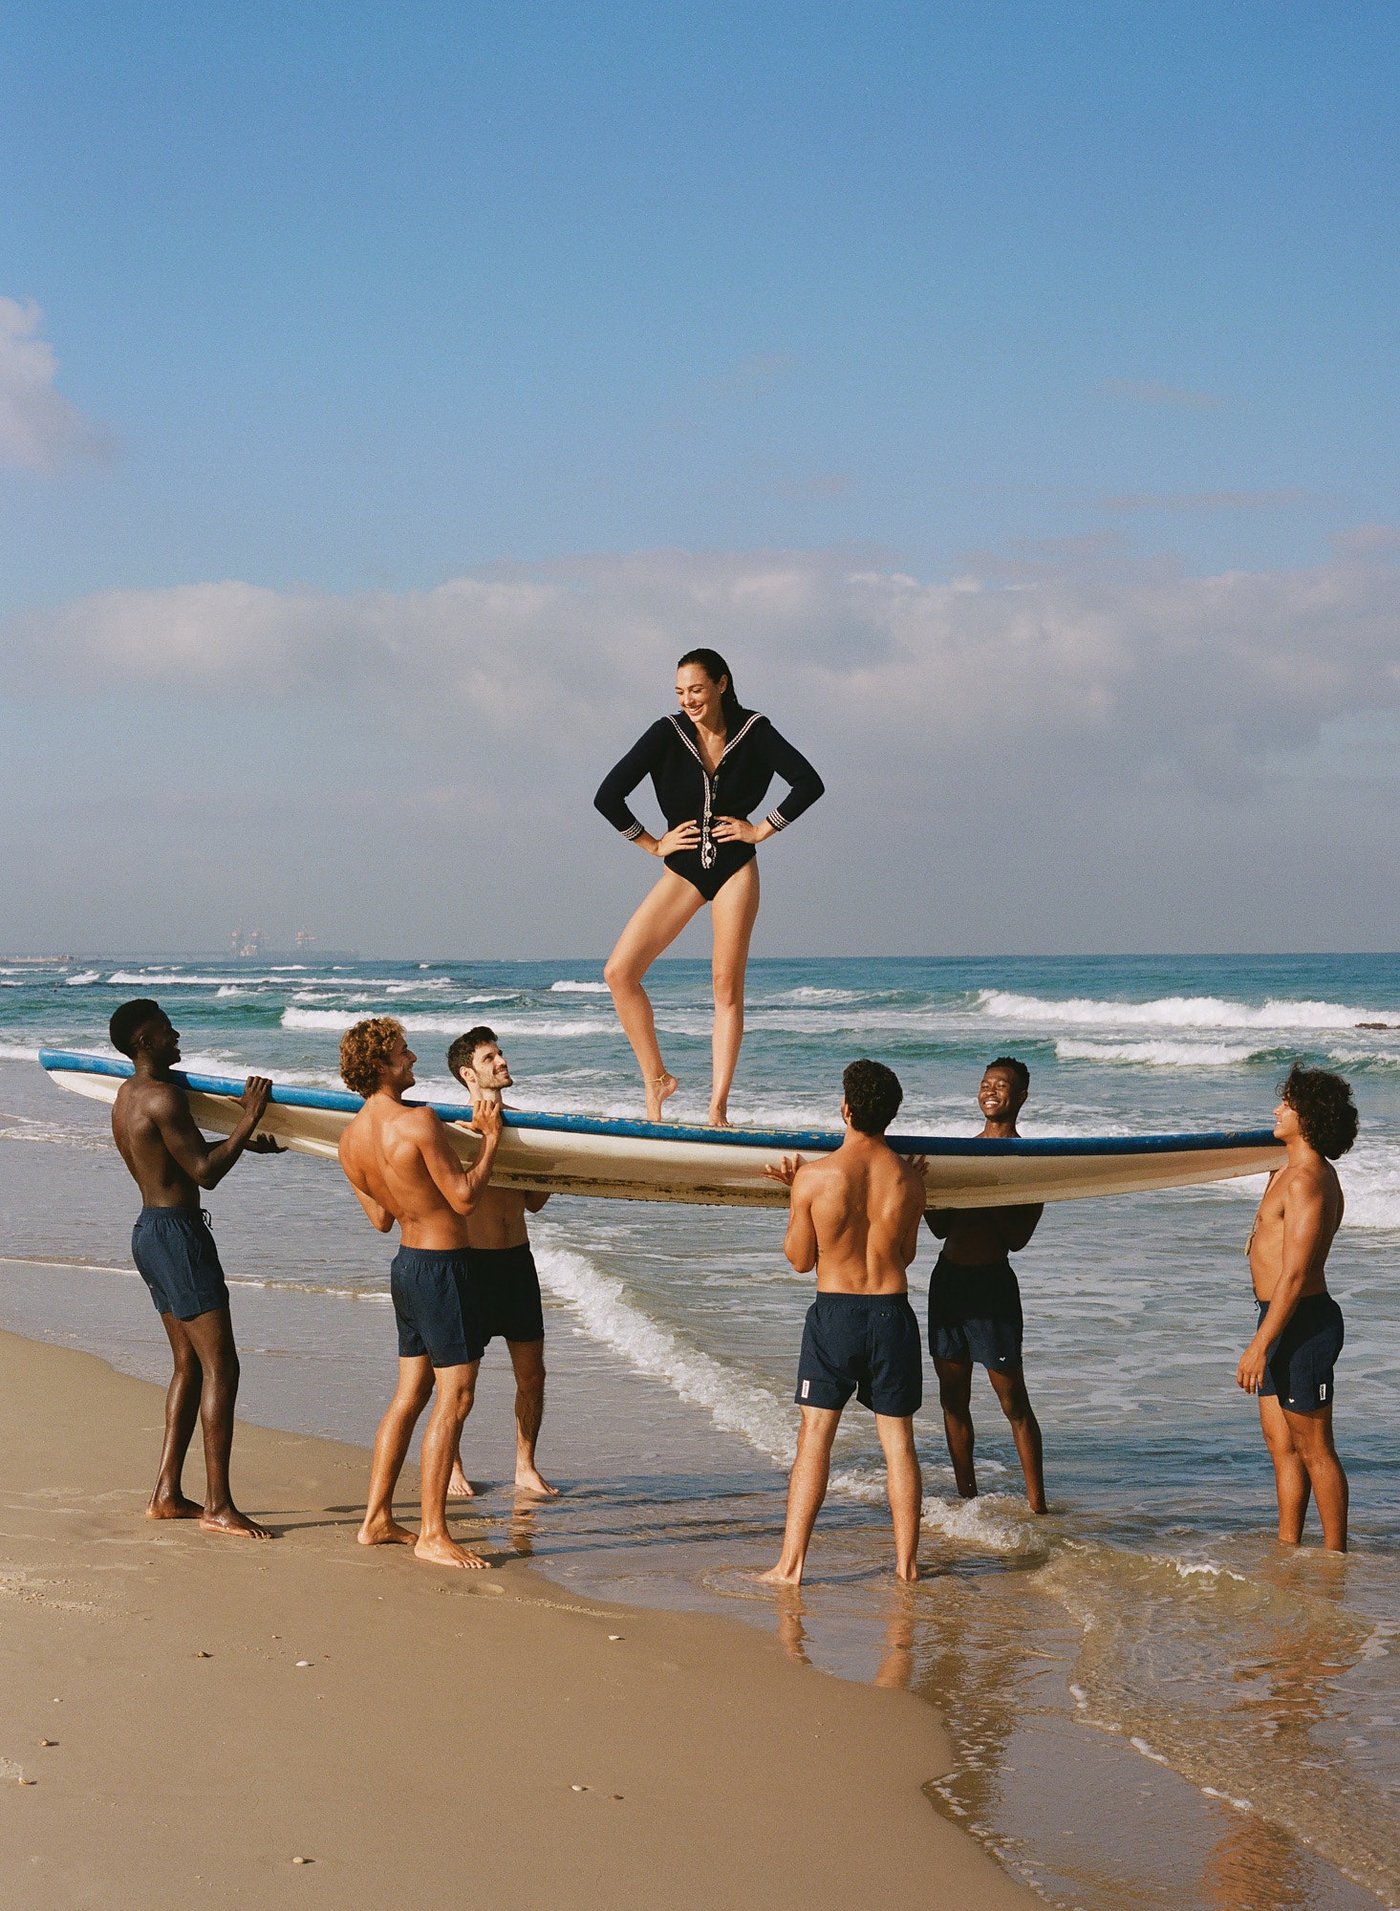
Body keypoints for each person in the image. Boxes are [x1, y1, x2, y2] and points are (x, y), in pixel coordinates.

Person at [594, 648, 823, 1125]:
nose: (688, 700)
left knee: (726, 987)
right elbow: (607, 795)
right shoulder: (666, 732)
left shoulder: (755, 730)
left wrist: (762, 828)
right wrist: (653, 844)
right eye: (680, 692)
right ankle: (657, 1077)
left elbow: (808, 781)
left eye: (696, 689)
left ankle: (718, 1105)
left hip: (736, 868)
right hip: (682, 870)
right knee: (620, 972)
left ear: (721, 684)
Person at [107, 997, 280, 1539]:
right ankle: (218, 1504)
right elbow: (204, 1172)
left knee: (187, 1366)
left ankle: (165, 1494)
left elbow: (177, 1154)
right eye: (165, 1030)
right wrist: (249, 1116)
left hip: (148, 1232)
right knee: (221, 1366)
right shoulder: (164, 1096)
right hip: (178, 1238)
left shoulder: (128, 1094)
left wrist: (243, 1142)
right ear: (144, 1040)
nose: (175, 1033)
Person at [336, 1016, 503, 1569]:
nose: (412, 1059)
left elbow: (381, 1218)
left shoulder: (349, 1140)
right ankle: (433, 1531)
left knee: (410, 1395)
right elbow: (462, 1200)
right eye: (403, 1053)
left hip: (405, 1268)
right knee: (455, 1397)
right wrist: (491, 1144)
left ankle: (376, 1518)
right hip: (444, 1269)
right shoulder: (419, 1122)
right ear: (382, 1065)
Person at [760, 1060, 927, 1585]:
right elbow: (905, 1253)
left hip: (836, 1314)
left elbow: (800, 1259)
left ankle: (791, 1566)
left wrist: (794, 1196)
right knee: (898, 1442)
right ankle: (906, 1567)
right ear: (890, 1116)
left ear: (847, 1109)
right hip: (892, 1312)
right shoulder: (908, 1179)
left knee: (815, 1437)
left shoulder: (816, 1176)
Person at [1237, 1064, 1356, 1553]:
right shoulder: (1285, 1169)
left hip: (1302, 1323)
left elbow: (1295, 1275)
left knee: (1314, 1449)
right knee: (1280, 1447)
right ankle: (1288, 1548)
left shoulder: (1308, 1180)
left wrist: (1259, 1346)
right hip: (1276, 1317)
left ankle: (1335, 1559)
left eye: (1285, 1103)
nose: (1276, 1109)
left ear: (1306, 1116)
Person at [925, 1057, 1047, 1514]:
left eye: (1001, 1085)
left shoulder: (1032, 1163)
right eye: (985, 1083)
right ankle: (966, 1497)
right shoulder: (960, 1152)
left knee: (1013, 1399)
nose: (990, 1090)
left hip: (993, 1286)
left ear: (1020, 1097)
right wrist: (928, 1189)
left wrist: (989, 1183)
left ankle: (1038, 1506)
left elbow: (1018, 1239)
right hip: (949, 1283)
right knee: (952, 1398)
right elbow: (939, 1228)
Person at [442, 1025, 557, 1499]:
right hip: (467, 1265)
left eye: (501, 1053)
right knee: (458, 1384)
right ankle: (450, 1466)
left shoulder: (527, 1127)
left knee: (532, 1375)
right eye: (491, 1057)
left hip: (516, 1263)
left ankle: (525, 1466)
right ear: (469, 1073)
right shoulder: (450, 1130)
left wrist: (554, 1160)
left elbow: (534, 1202)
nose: (502, 1061)